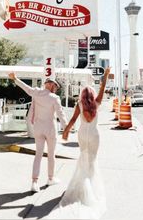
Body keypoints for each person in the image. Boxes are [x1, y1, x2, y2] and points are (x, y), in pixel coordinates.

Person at [47, 67, 110, 219]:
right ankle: (91, 188)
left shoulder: (79, 105)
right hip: (94, 135)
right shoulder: (97, 103)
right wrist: (106, 75)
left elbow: (73, 120)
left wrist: (66, 131)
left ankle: (81, 187)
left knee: (83, 159)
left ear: (82, 95)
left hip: (82, 135)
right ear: (92, 95)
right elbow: (102, 88)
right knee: (92, 160)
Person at [8, 72, 68, 193]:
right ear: (50, 85)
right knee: (51, 155)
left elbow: (26, 87)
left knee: (38, 155)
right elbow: (61, 115)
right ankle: (50, 179)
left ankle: (34, 183)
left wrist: (15, 78)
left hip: (38, 128)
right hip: (50, 129)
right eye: (55, 86)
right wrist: (66, 128)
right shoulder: (54, 98)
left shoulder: (36, 93)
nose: (56, 88)